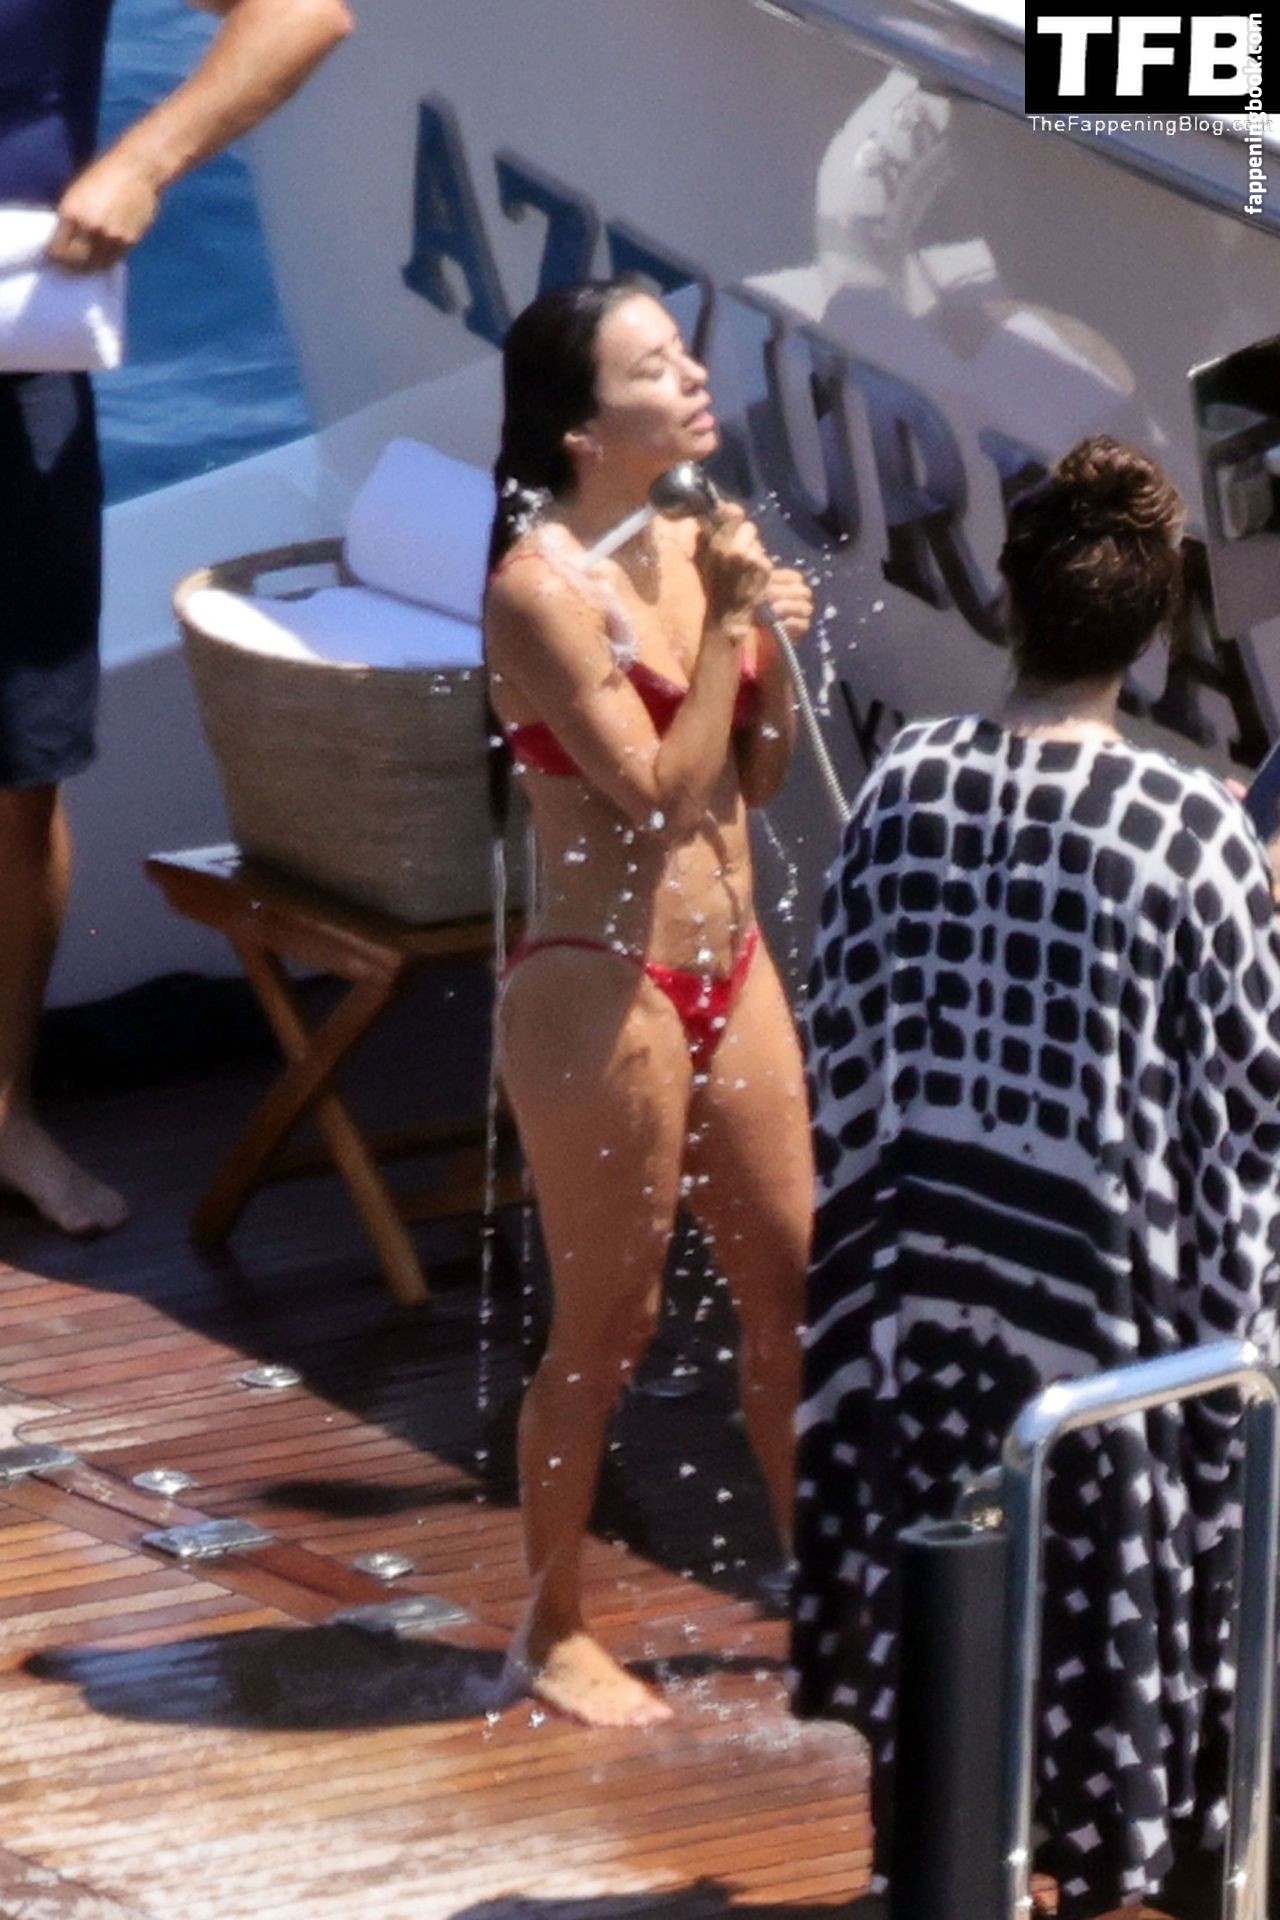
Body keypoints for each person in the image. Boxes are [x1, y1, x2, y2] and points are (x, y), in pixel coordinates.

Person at [791, 434, 1280, 1920]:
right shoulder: (1188, 831)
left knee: (953, 1593)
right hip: (1105, 1327)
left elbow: (842, 1039)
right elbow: (1251, 1114)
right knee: (1116, 1599)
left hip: (928, 1303)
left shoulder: (905, 784)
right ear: (1155, 632)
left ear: (1008, 597)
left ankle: (943, 1858)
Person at [484, 279, 815, 1727]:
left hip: (732, 965)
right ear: (581, 429)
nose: (690, 377)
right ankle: (550, 1627)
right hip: (600, 984)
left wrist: (766, 656)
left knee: (791, 1292)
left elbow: (753, 779)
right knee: (609, 1328)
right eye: (653, 366)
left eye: (684, 355)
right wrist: (736, 627)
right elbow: (655, 798)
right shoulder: (538, 591)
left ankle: (827, 1584)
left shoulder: (698, 532)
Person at [0, 0, 353, 1235]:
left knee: (19, 776)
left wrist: (142, 164)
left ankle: (6, 1118)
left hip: (17, 356)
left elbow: (298, 14)